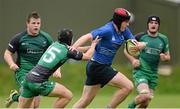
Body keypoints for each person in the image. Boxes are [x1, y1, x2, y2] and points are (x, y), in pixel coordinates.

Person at [70, 8, 146, 108]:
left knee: (85, 101)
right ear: (119, 21)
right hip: (98, 66)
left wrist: (142, 44)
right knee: (128, 86)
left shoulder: (124, 31)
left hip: (96, 67)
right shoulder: (107, 30)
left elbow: (135, 43)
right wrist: (73, 48)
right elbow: (87, 36)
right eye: (126, 22)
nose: (127, 24)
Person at [17, 28, 99, 108]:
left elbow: (75, 49)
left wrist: (89, 47)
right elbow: (88, 56)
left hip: (28, 78)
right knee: (67, 95)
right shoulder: (67, 51)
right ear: (70, 40)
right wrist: (94, 45)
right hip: (39, 82)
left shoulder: (55, 44)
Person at [4, 11, 54, 108]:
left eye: (38, 23)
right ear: (27, 23)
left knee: (36, 104)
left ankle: (14, 97)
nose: (36, 26)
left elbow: (55, 53)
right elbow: (7, 53)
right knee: (29, 101)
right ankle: (17, 97)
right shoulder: (19, 38)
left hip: (39, 74)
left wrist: (57, 69)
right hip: (23, 72)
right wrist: (11, 64)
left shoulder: (46, 38)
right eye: (33, 23)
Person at [124, 16, 171, 108]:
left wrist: (164, 57)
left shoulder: (163, 39)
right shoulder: (140, 36)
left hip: (153, 74)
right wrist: (133, 60)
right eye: (151, 23)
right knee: (144, 95)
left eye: (156, 23)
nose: (153, 25)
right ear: (148, 24)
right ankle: (130, 107)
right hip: (141, 71)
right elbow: (126, 49)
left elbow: (168, 56)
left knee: (145, 102)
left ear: (158, 25)